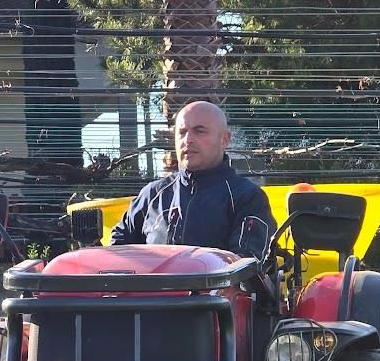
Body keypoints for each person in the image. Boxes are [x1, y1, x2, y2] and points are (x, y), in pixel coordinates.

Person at [110, 101, 276, 258]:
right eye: (182, 132)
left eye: (199, 131)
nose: (187, 140)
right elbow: (117, 254)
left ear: (224, 139)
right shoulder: (152, 195)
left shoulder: (247, 198)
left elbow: (246, 265)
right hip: (152, 289)